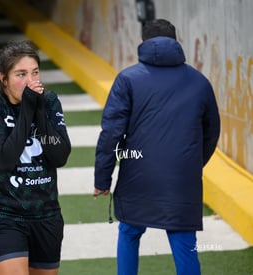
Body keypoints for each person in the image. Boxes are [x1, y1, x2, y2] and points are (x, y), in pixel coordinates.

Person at [94, 19, 220, 275]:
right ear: (176, 42)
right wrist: (191, 163)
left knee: (129, 232)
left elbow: (111, 135)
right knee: (185, 243)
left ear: (142, 43)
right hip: (182, 179)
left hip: (138, 175)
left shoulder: (127, 79)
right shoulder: (199, 82)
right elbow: (211, 133)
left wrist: (102, 179)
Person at [0, 40, 71, 275]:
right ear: (3, 78)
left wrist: (38, 110)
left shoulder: (49, 101)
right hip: (4, 213)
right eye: (21, 74)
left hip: (46, 214)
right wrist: (27, 109)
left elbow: (59, 155)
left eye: (35, 72)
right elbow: (5, 158)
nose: (30, 81)